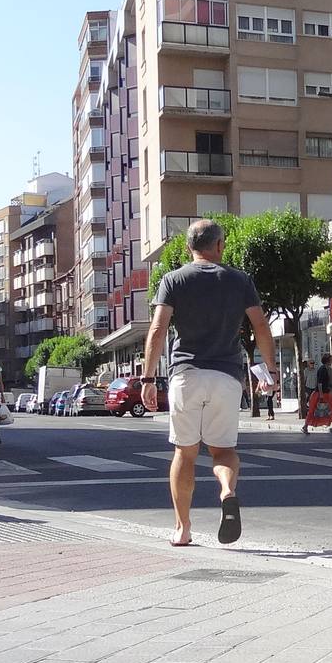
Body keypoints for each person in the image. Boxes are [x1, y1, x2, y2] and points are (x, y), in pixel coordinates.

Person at [142, 219, 277, 547]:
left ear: (189, 247)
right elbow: (260, 326)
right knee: (224, 452)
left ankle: (182, 529)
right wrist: (270, 371)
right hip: (226, 377)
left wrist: (148, 378)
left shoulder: (173, 279)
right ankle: (227, 490)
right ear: (219, 245)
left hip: (185, 375)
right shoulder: (240, 280)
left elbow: (158, 329)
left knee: (184, 453)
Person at [304, 355, 332, 434]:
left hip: (325, 392)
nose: (331, 361)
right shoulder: (322, 369)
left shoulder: (327, 369)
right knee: (313, 409)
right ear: (327, 361)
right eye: (330, 360)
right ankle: (305, 426)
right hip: (321, 393)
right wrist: (321, 394)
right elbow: (320, 383)